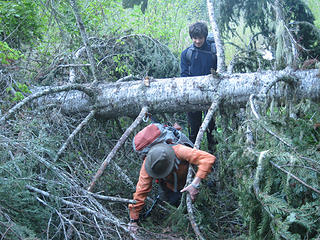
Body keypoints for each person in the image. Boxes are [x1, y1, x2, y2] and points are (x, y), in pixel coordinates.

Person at [128, 143, 216, 232]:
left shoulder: (179, 150)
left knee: (201, 205)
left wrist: (194, 184)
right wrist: (133, 220)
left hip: (189, 181)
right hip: (169, 187)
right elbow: (141, 191)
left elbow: (208, 158)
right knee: (171, 209)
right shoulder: (148, 165)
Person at [180, 21, 218, 152]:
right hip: (193, 98)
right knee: (193, 131)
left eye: (200, 38)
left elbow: (219, 75)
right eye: (194, 38)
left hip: (211, 98)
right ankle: (193, 160)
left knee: (211, 131)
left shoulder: (214, 52)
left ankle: (213, 160)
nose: (197, 41)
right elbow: (183, 77)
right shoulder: (186, 54)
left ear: (205, 36)